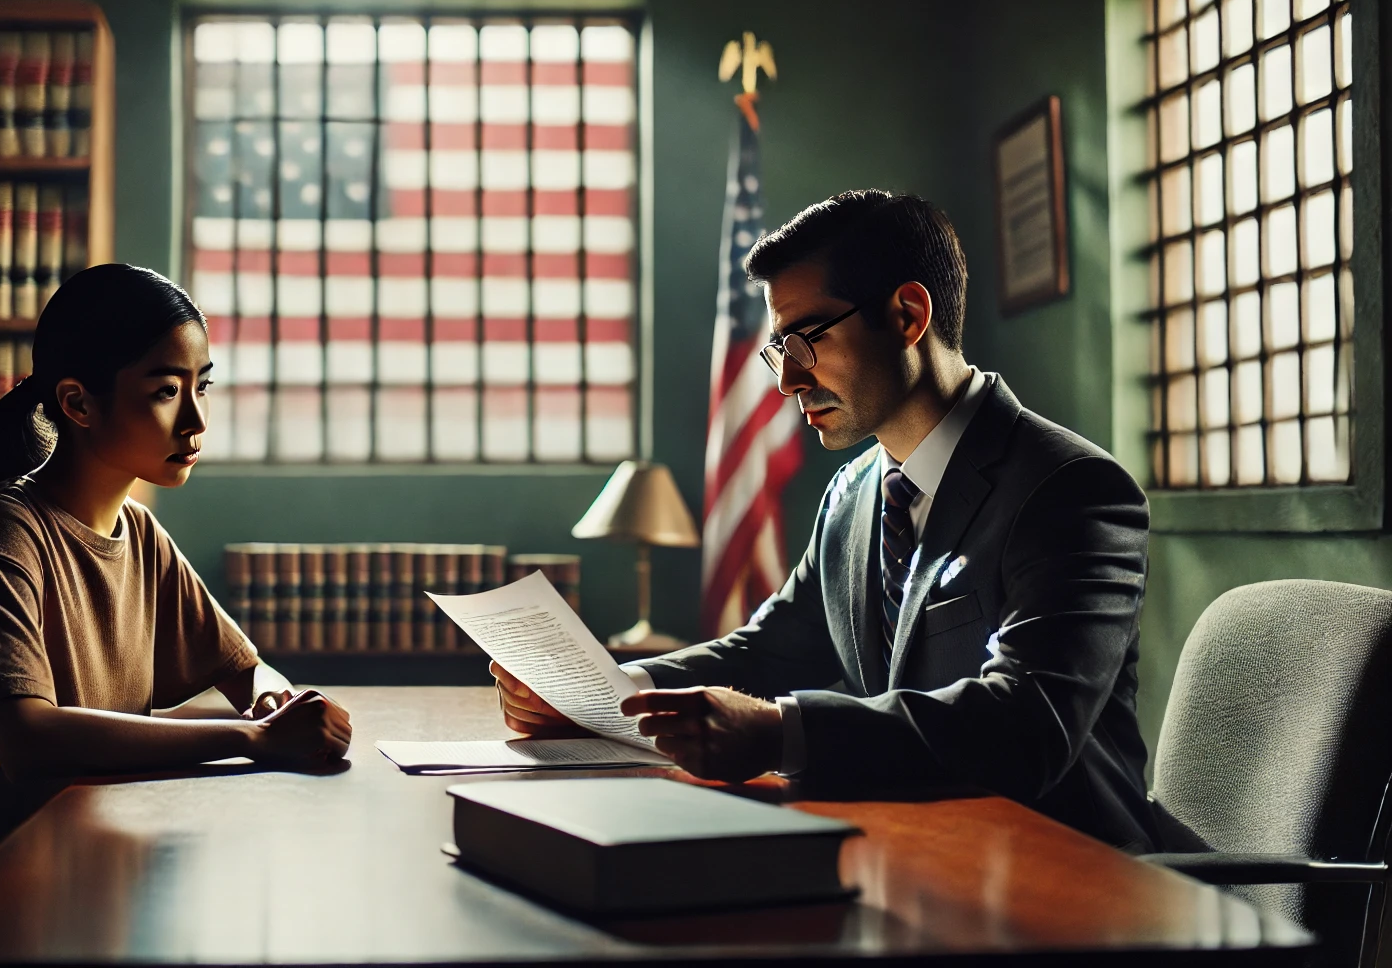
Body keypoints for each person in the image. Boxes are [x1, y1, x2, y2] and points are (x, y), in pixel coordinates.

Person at [494, 190, 1157, 851]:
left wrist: (781, 731)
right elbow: (773, 647)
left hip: (1073, 880)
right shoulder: (855, 491)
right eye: (778, 348)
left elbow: (1028, 725)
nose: (786, 379)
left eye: (806, 339)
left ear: (907, 315)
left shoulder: (1071, 490)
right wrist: (610, 693)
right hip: (925, 854)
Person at [0, 263, 353, 883]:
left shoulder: (139, 532)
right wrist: (253, 739)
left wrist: (272, 697)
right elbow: (24, 737)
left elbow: (244, 667)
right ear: (77, 402)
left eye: (201, 387)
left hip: (83, 874)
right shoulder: (0, 528)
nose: (196, 421)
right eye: (165, 391)